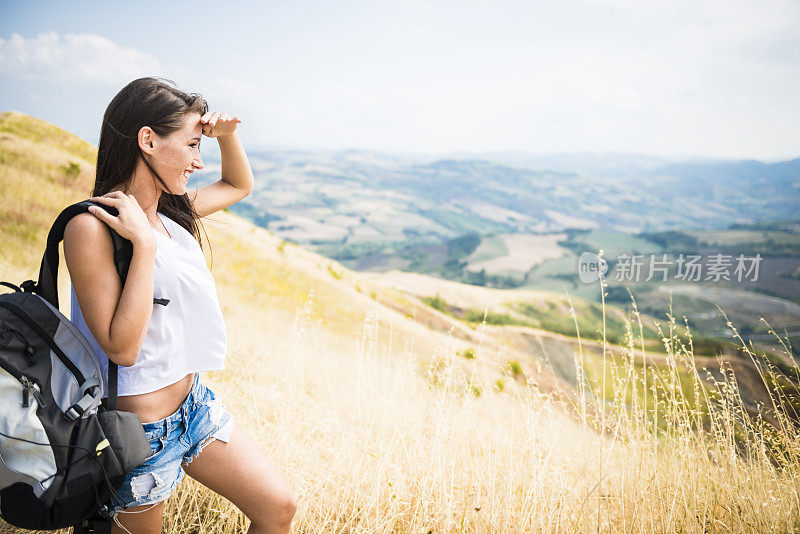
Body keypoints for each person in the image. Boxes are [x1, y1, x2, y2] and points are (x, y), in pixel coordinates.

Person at [63, 77, 297, 533]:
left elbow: (237, 183)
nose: (198, 160)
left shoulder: (170, 211)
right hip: (139, 434)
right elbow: (122, 348)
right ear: (147, 140)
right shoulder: (91, 228)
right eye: (191, 145)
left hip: (194, 406)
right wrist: (144, 248)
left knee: (278, 509)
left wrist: (227, 136)